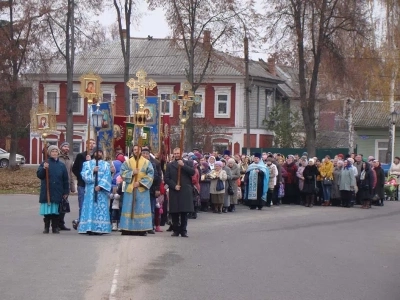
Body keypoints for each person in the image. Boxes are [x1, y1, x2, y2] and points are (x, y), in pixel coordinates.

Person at [119, 145, 154, 236]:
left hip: (142, 189)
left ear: (141, 151)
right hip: (130, 188)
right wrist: (131, 173)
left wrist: (140, 183)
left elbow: (151, 174)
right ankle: (127, 228)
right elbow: (122, 173)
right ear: (132, 151)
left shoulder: (147, 162)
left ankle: (141, 229)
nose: (136, 151)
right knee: (129, 208)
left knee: (140, 209)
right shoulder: (128, 162)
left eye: (138, 149)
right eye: (134, 149)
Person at [78, 147, 112, 235]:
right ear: (94, 153)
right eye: (97, 152)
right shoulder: (87, 164)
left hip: (101, 191)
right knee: (90, 207)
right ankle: (88, 227)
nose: (99, 154)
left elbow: (108, 176)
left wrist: (100, 186)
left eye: (100, 152)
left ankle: (100, 228)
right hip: (90, 190)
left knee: (100, 208)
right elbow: (83, 175)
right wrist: (92, 171)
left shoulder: (106, 164)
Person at [37, 145, 69, 234]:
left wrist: (66, 191)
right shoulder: (45, 163)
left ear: (58, 153)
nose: (54, 153)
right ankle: (46, 227)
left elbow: (65, 179)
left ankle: (55, 227)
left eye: (56, 151)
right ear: (49, 153)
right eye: (52, 151)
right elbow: (40, 175)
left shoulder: (61, 165)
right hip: (47, 190)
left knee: (55, 211)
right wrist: (44, 168)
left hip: (58, 190)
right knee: (47, 211)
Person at [164, 147, 195, 237]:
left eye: (178, 153)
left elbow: (192, 172)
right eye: (175, 153)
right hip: (175, 190)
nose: (177, 155)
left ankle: (183, 230)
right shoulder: (170, 165)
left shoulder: (188, 163)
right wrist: (174, 186)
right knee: (175, 212)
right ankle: (176, 230)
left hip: (185, 190)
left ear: (182, 153)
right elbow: (167, 178)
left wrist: (183, 166)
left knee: (184, 212)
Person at [71, 138, 96, 230]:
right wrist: (81, 176)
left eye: (93, 143)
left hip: (92, 184)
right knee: (82, 204)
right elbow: (75, 169)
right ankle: (82, 223)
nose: (91, 145)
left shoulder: (96, 157)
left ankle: (87, 222)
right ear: (86, 145)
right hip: (82, 184)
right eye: (90, 143)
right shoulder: (80, 156)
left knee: (92, 204)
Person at [141, 146, 161, 234]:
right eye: (143, 154)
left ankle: (150, 226)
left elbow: (157, 177)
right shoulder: (139, 164)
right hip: (141, 189)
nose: (145, 155)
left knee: (151, 209)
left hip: (151, 189)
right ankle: (142, 226)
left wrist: (156, 188)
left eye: (147, 154)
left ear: (149, 155)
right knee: (142, 208)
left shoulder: (153, 164)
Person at [58, 141, 76, 231]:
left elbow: (70, 173)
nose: (66, 148)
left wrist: (72, 186)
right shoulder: (57, 158)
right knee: (57, 205)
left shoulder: (69, 159)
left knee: (64, 204)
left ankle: (61, 223)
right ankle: (55, 223)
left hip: (66, 185)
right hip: (58, 185)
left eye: (68, 147)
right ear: (61, 148)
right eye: (64, 146)